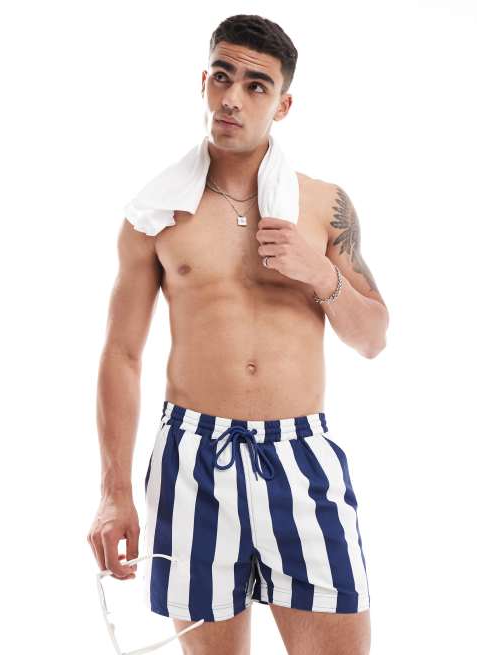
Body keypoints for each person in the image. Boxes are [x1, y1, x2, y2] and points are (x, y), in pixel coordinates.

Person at [87, 13, 389, 655]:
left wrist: (319, 274)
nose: (232, 97)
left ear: (283, 105)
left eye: (256, 86)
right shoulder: (154, 215)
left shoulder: (322, 206)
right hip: (192, 460)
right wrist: (114, 494)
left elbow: (373, 338)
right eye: (222, 77)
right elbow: (122, 354)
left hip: (300, 457)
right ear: (203, 82)